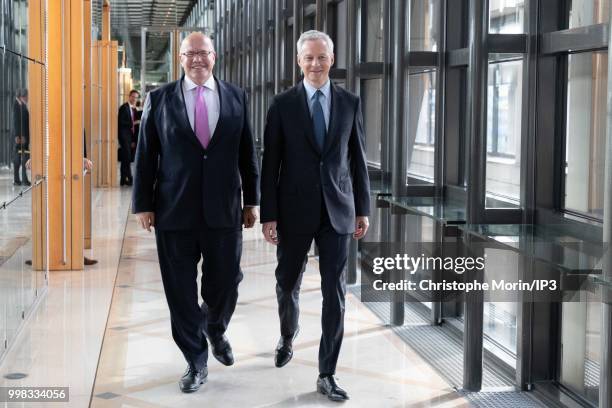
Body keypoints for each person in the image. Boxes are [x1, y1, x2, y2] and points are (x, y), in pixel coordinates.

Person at [132, 32, 259, 394]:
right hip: (174, 211)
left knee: (227, 282)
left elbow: (247, 154)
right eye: (190, 53)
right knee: (180, 292)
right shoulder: (160, 99)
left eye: (203, 53)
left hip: (224, 210)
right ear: (181, 58)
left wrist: (252, 200)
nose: (197, 59)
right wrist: (143, 204)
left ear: (214, 56)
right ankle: (196, 361)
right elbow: (145, 156)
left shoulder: (236, 97)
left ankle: (214, 327)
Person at [260, 30, 370, 402]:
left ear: (332, 59)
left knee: (334, 295)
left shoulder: (350, 102)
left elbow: (358, 161)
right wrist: (268, 215)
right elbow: (270, 163)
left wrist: (363, 208)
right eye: (308, 58)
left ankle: (327, 373)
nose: (315, 64)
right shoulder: (282, 104)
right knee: (286, 282)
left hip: (338, 212)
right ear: (299, 61)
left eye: (322, 57)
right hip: (292, 212)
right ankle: (288, 334)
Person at [118, 89, 139, 186]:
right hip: (124, 137)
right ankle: (129, 178)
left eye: (136, 97)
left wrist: (134, 140)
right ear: (129, 96)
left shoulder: (133, 109)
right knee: (126, 158)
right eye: (133, 97)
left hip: (130, 137)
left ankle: (123, 179)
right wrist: (133, 123)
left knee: (126, 159)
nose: (134, 99)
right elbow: (121, 122)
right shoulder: (123, 108)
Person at [13, 89, 30, 186]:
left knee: (21, 158)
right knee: (20, 158)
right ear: (22, 96)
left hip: (22, 136)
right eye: (27, 96)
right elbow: (16, 121)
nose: (28, 98)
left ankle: (22, 179)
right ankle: (19, 180)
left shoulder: (21, 105)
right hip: (20, 137)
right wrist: (18, 136)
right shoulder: (16, 105)